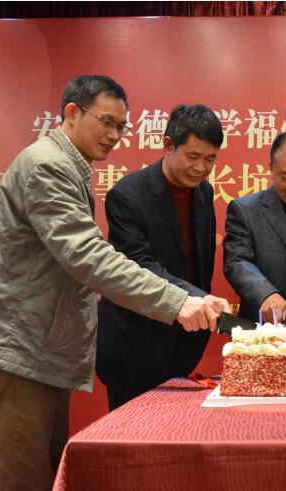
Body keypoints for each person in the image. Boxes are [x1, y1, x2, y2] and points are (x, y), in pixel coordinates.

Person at [0, 75, 229, 490]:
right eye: (106, 122)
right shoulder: (47, 166)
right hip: (20, 348)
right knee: (20, 479)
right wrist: (177, 301)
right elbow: (89, 256)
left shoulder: (69, 167)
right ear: (71, 113)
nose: (114, 135)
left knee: (43, 475)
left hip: (41, 349)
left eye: (121, 126)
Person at [96, 104, 225, 410]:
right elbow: (139, 265)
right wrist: (198, 297)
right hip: (134, 347)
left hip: (185, 343)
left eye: (210, 159)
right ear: (168, 145)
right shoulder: (127, 195)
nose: (201, 168)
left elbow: (200, 261)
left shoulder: (203, 192)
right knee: (133, 435)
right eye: (192, 156)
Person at [224, 132, 286, 323]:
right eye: (285, 177)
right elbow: (237, 261)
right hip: (260, 327)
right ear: (271, 169)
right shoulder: (245, 210)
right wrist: (265, 294)